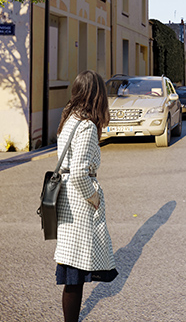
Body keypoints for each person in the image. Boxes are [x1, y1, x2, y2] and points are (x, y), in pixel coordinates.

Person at [54, 70, 118, 322]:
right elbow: (80, 172)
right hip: (79, 203)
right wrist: (94, 197)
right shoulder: (87, 126)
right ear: (97, 95)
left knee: (73, 269)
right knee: (75, 272)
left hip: (66, 199)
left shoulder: (69, 119)